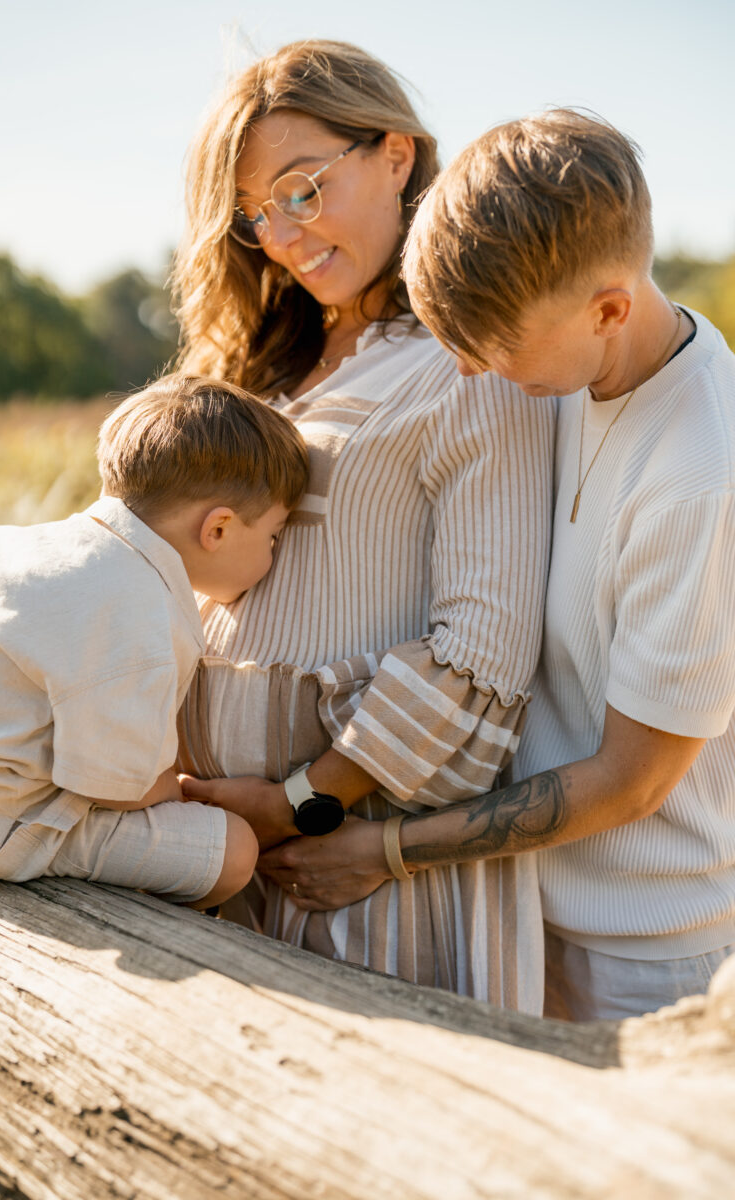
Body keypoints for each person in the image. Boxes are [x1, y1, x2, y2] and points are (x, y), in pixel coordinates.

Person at [173, 40, 556, 1012]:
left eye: (303, 189)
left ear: (394, 154)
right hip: (233, 869)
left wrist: (309, 797)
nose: (286, 236)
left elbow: (479, 660)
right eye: (258, 215)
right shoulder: (272, 372)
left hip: (360, 872)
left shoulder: (465, 365)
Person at [397, 108, 735, 1020]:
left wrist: (387, 851)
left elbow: (635, 779)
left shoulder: (701, 474)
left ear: (611, 307)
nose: (471, 372)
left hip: (657, 965)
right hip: (526, 913)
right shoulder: (576, 372)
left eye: (497, 348)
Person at [0, 375, 307, 911]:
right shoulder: (144, 614)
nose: (273, 556)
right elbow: (116, 788)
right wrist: (177, 789)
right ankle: (158, 928)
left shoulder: (39, 547)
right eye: (273, 535)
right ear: (219, 529)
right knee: (232, 848)